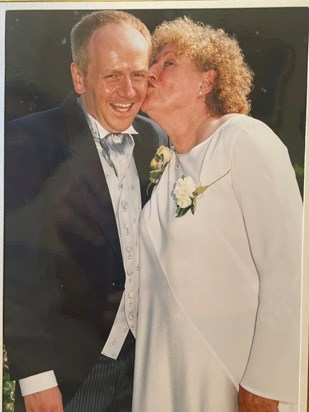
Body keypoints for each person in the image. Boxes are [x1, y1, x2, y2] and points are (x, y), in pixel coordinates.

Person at [132, 16, 302, 412]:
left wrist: (266, 384)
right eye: (150, 64)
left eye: (168, 62)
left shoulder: (244, 138)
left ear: (207, 82)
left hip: (231, 378)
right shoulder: (167, 166)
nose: (150, 72)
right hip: (163, 375)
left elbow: (288, 269)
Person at [4, 10, 166, 412]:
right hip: (71, 376)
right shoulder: (28, 140)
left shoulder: (154, 139)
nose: (128, 91)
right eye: (112, 75)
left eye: (138, 74)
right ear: (79, 78)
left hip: (147, 367)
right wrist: (36, 377)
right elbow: (15, 267)